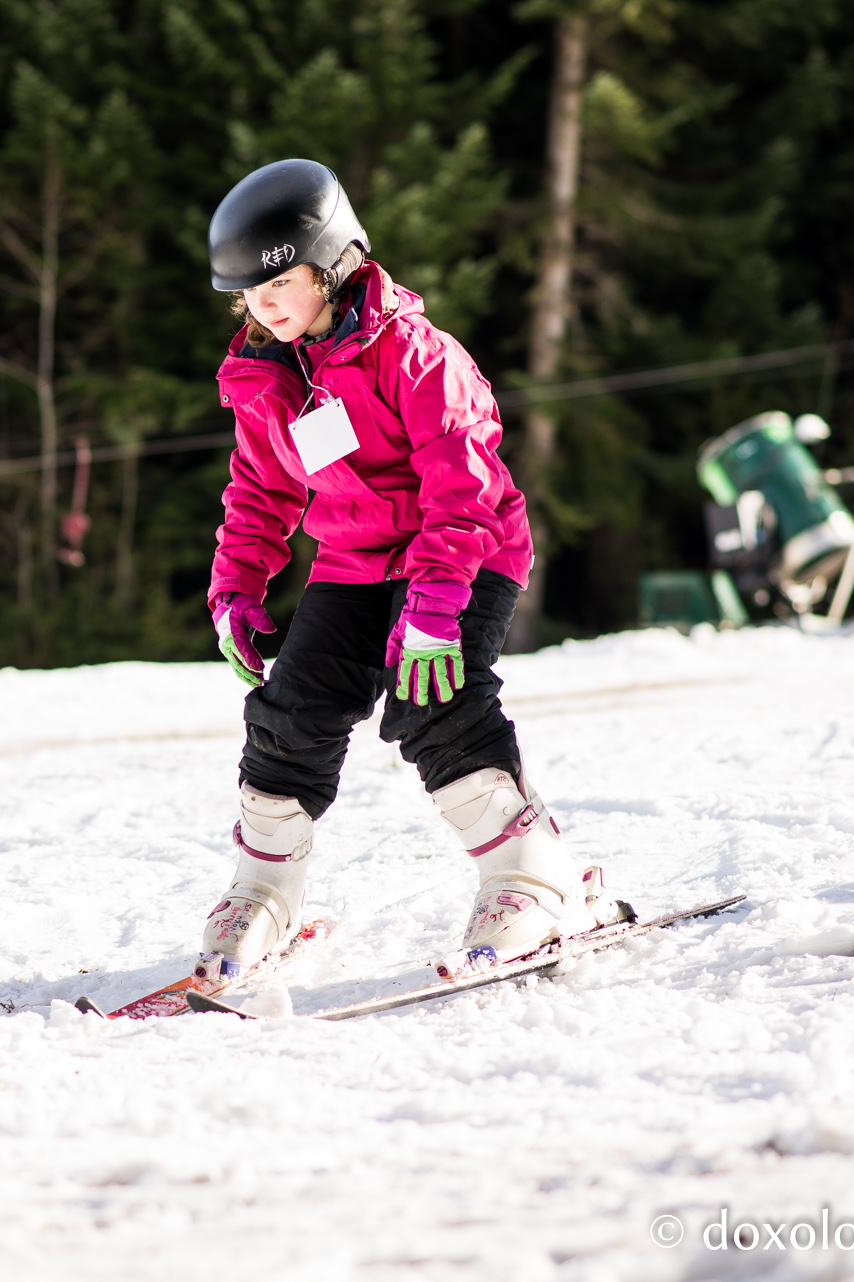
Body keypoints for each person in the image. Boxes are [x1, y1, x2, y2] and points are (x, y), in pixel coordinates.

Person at [199, 158, 621, 979]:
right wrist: (235, 590)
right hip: (356, 560)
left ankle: (532, 878)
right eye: (248, 294)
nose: (265, 305)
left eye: (279, 284)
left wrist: (432, 606)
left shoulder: (416, 354)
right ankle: (264, 890)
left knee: (437, 694)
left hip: (463, 553)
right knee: (292, 708)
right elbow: (258, 488)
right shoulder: (270, 376)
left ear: (332, 261)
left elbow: (462, 481)